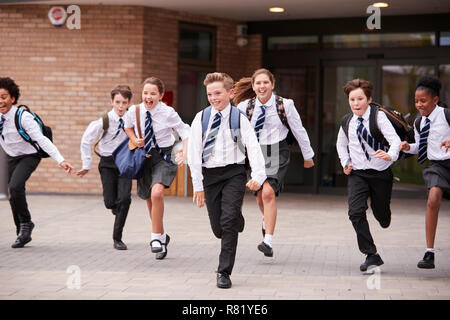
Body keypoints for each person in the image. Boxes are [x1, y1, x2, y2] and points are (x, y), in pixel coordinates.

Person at [188, 72, 266, 289]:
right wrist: (198, 186)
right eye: (210, 94)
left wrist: (258, 176)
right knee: (218, 229)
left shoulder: (239, 118)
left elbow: (253, 147)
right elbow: (193, 154)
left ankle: (224, 272)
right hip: (210, 176)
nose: (213, 98)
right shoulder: (201, 118)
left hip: (234, 173)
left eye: (218, 93)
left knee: (228, 222)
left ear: (230, 93)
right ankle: (235, 219)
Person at [233, 68, 314, 257]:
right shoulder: (244, 107)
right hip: (254, 152)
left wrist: (308, 155)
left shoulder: (285, 105)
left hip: (278, 150)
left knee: (268, 192)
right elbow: (236, 134)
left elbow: (299, 129)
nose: (262, 86)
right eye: (258, 83)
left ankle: (268, 240)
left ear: (273, 84)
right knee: (260, 196)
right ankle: (265, 219)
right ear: (253, 86)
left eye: (265, 82)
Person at [0, 77, 73, 248]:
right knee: (13, 192)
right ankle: (22, 230)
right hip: (11, 156)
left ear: (12, 98)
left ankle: (26, 223)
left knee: (16, 186)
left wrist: (60, 160)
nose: (0, 101)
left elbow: (41, 140)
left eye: (3, 97)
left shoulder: (23, 117)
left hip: (29, 155)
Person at [336, 78, 400, 272]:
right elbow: (341, 144)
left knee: (381, 214)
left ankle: (384, 215)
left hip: (380, 173)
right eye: (352, 99)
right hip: (358, 174)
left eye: (360, 99)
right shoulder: (347, 121)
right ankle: (371, 254)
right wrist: (345, 162)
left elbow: (395, 141)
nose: (356, 103)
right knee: (355, 212)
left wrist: (390, 155)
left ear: (369, 99)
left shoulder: (379, 117)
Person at [124, 77, 189, 260]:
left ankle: (154, 238)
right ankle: (161, 237)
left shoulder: (168, 112)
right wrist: (134, 139)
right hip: (144, 157)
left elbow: (184, 130)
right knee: (149, 200)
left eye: (153, 93)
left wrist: (184, 149)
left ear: (160, 95)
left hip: (165, 157)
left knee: (157, 193)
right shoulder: (134, 111)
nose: (148, 96)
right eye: (145, 93)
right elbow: (127, 127)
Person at [399, 76, 450, 269]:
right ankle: (429, 253)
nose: (419, 104)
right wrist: (407, 147)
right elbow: (421, 147)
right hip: (437, 165)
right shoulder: (420, 122)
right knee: (433, 198)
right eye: (416, 101)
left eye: (423, 101)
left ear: (435, 100)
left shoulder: (446, 115)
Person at [77, 85, 133, 250]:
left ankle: (117, 238)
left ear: (129, 102)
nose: (121, 106)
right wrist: (86, 164)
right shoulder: (104, 120)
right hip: (107, 163)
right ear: (111, 101)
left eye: (124, 102)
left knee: (124, 199)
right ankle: (116, 209)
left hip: (125, 162)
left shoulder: (133, 119)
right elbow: (86, 140)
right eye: (117, 102)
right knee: (110, 202)